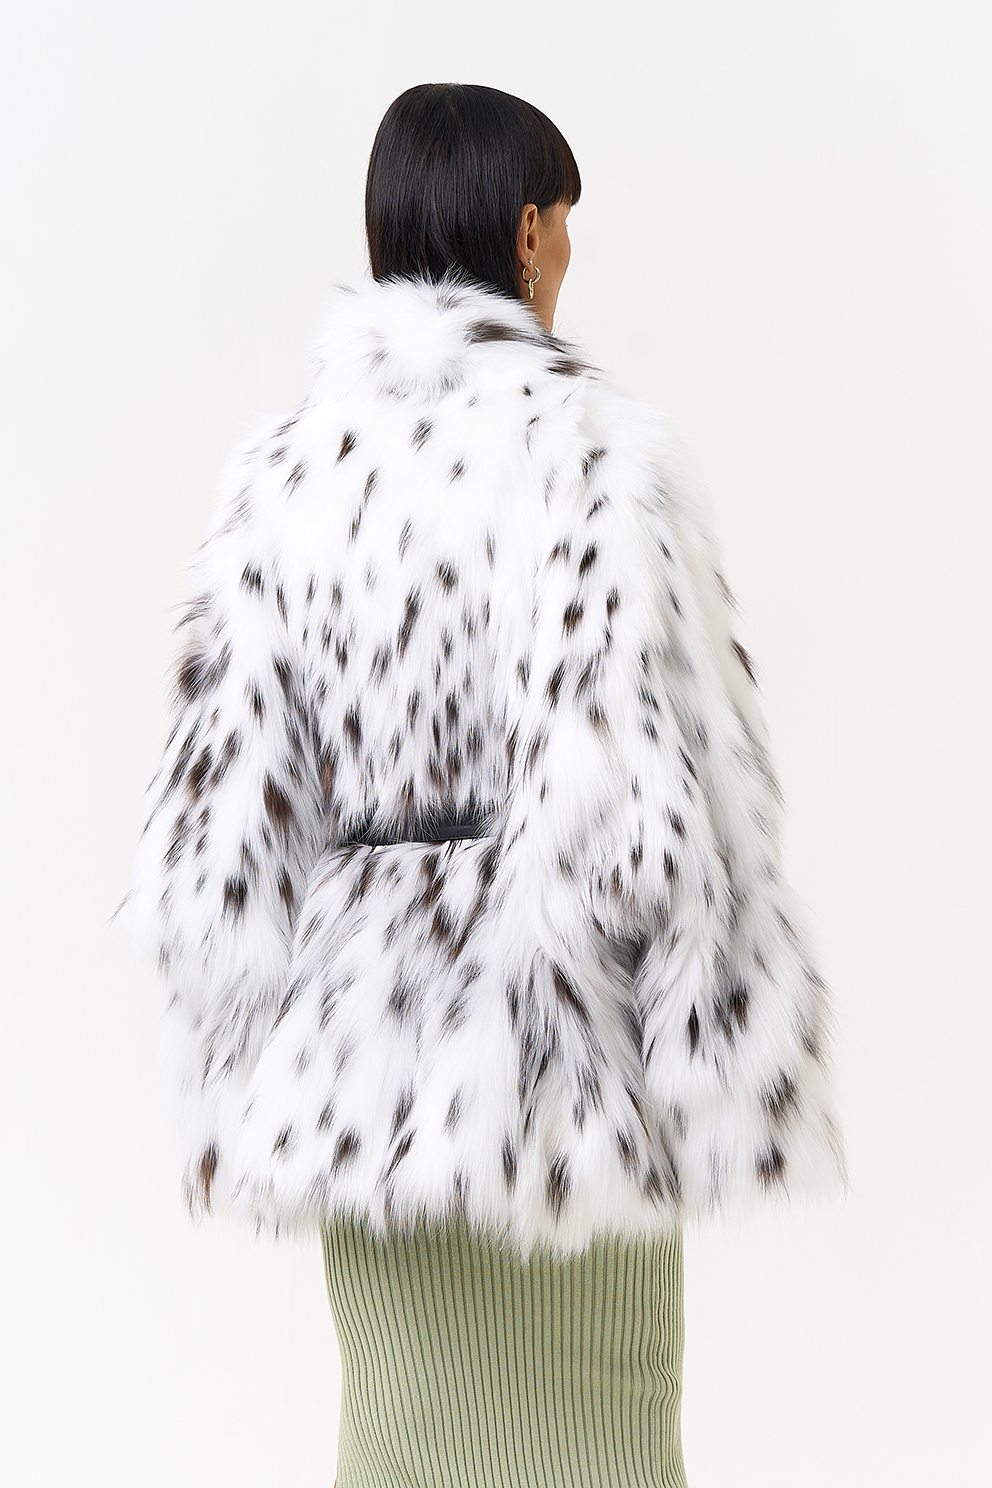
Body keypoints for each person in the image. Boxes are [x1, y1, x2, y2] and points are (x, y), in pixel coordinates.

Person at [121, 82, 845, 1488]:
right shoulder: (597, 456)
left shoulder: (280, 479)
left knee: (404, 1437)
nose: (567, 253)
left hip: (356, 1071)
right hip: (559, 1075)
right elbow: (668, 811)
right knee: (593, 1443)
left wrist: (245, 1075)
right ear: (524, 232)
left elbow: (216, 840)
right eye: (564, 222)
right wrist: (720, 1063)